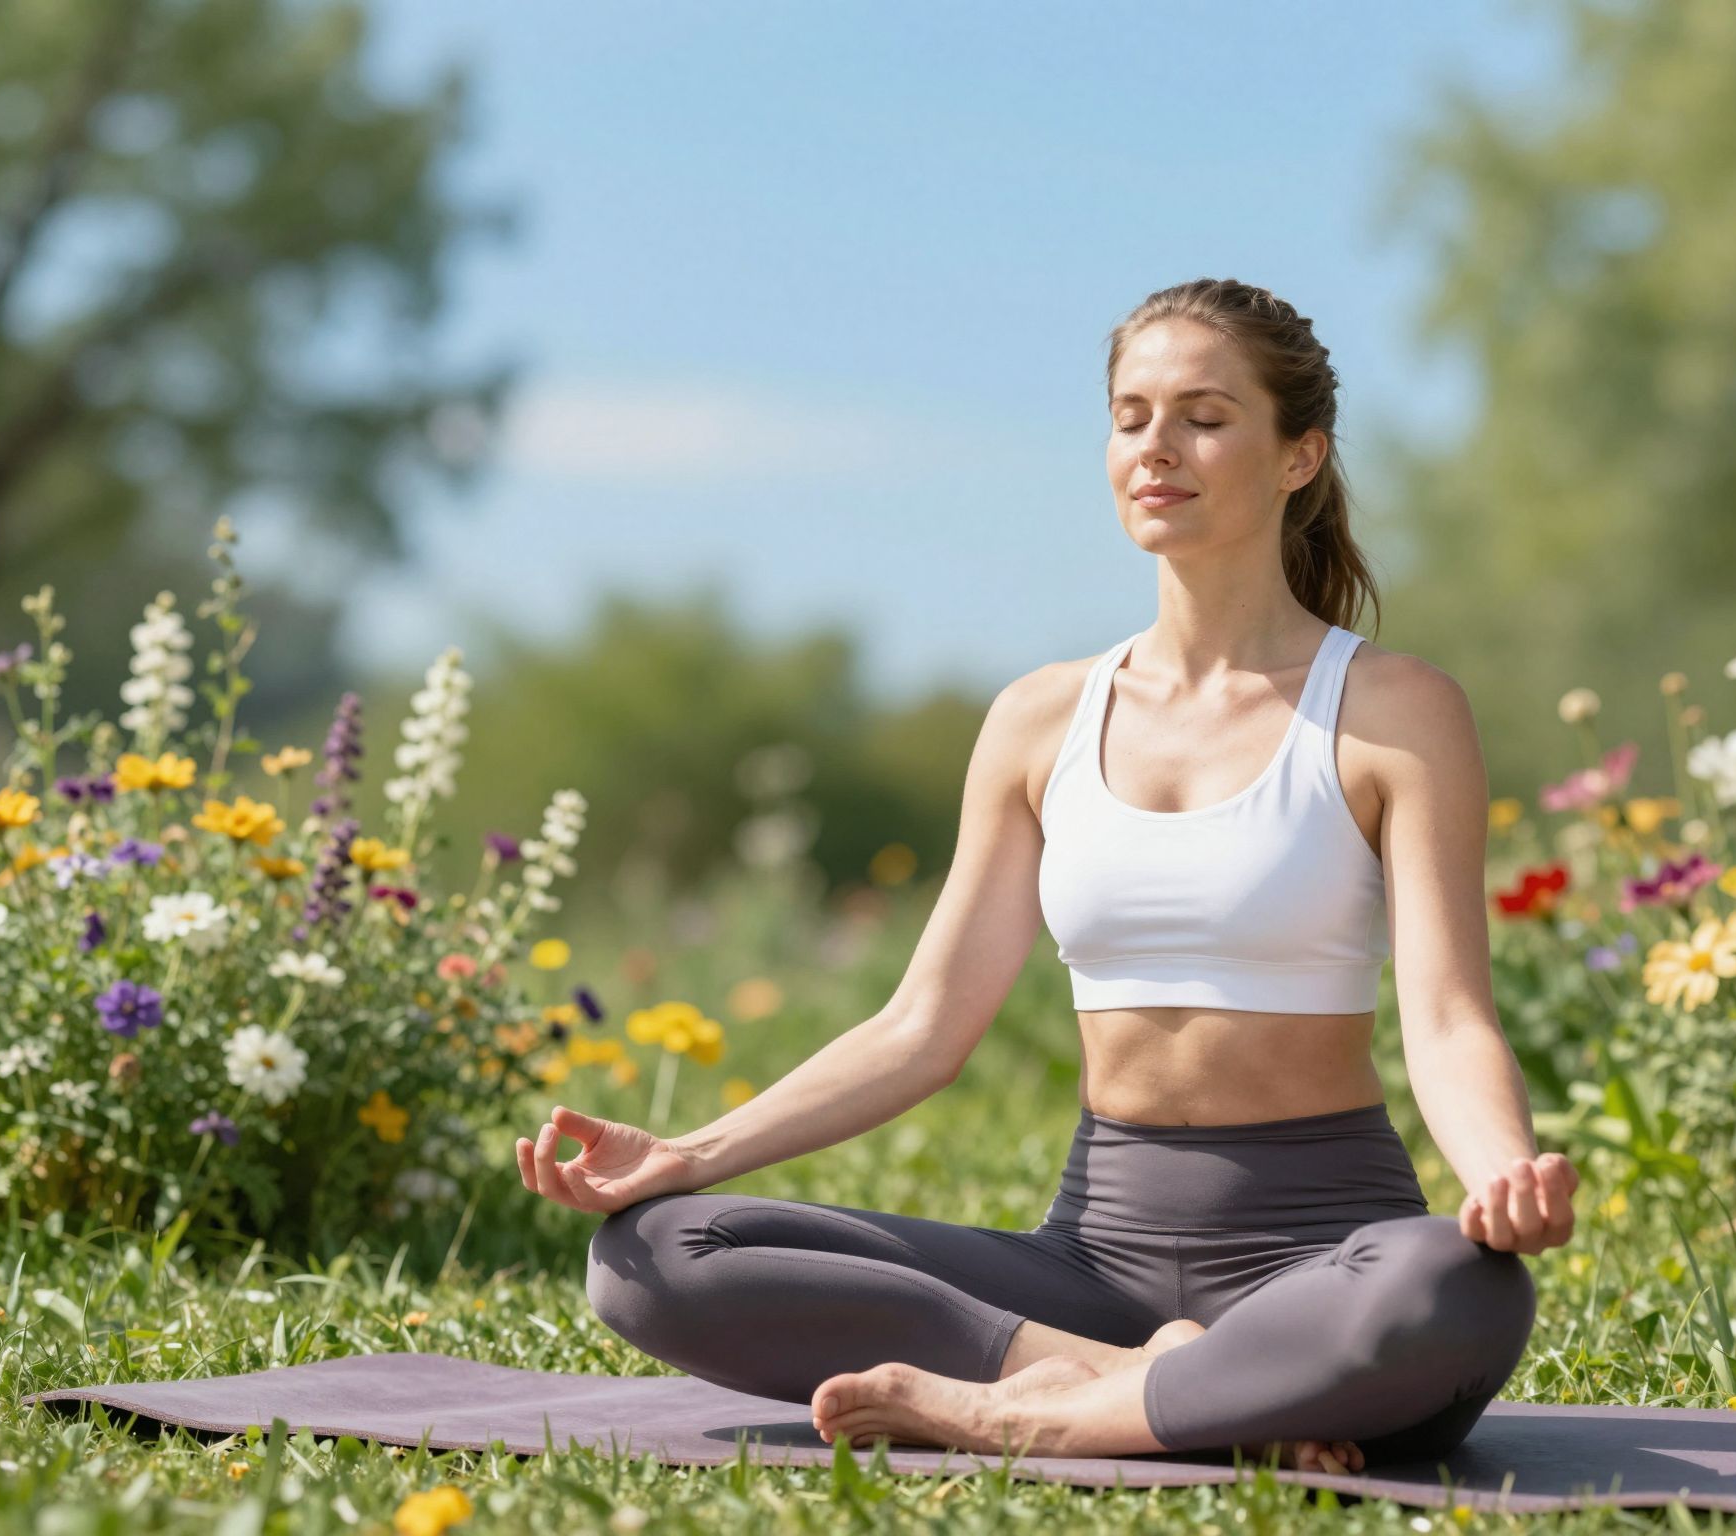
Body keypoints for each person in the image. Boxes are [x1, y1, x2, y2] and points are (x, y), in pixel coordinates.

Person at [516, 277, 1576, 1471]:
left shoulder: (1390, 710)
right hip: (1086, 1270)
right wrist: (685, 1155)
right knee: (655, 1254)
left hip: (1320, 1251)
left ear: (1298, 456)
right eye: (1130, 417)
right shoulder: (1038, 719)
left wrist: (1499, 1178)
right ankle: (1159, 1389)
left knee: (1453, 1285)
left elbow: (1443, 1018)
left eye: (1204, 417)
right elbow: (922, 1026)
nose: (1155, 449)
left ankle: (1027, 1413)